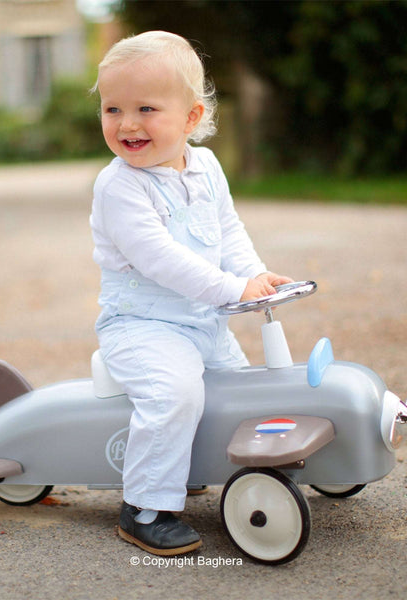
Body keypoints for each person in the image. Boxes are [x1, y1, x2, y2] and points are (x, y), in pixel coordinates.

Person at [90, 30, 292, 556]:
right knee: (174, 393)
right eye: (113, 109)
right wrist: (231, 290)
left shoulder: (206, 168)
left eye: (146, 109)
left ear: (191, 118)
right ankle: (146, 506)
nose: (127, 124)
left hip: (203, 321)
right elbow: (161, 259)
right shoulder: (120, 187)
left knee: (238, 392)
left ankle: (203, 468)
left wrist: (256, 278)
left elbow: (228, 232)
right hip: (141, 326)